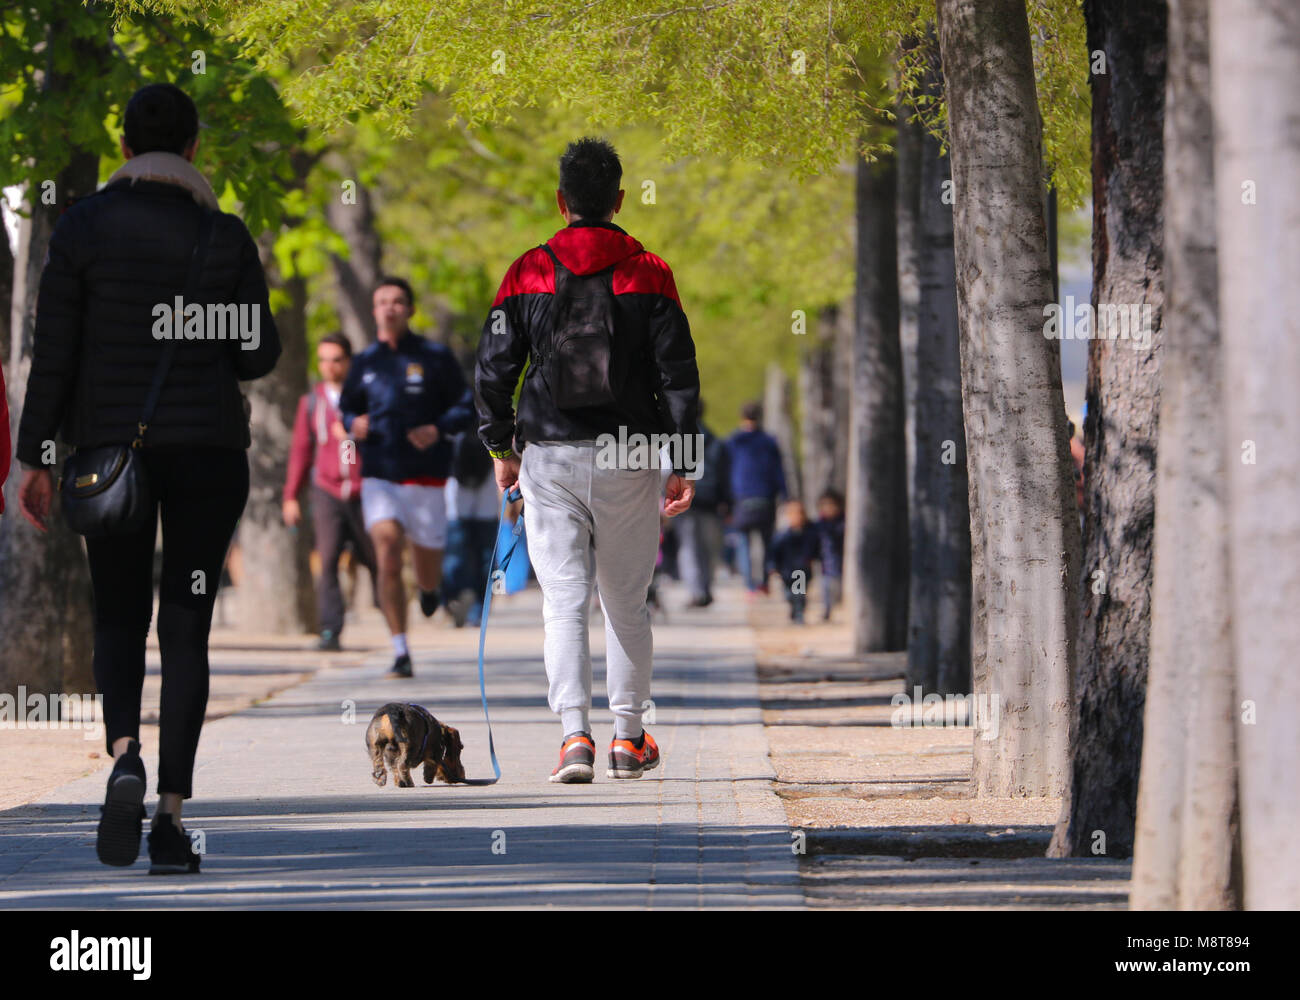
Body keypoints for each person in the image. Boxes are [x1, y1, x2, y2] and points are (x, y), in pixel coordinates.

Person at [14, 83, 280, 873]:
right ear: (194, 150)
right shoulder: (224, 236)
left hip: (108, 461)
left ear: (125, 147)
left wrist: (34, 459)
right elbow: (258, 355)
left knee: (119, 614)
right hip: (206, 458)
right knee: (188, 624)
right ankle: (169, 816)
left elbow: (53, 350)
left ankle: (124, 753)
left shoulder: (82, 228)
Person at [475, 136, 700, 783]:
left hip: (548, 450)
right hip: (632, 451)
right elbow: (679, 374)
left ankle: (574, 738)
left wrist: (500, 449)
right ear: (619, 199)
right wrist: (685, 460)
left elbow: (493, 370)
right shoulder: (650, 271)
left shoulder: (527, 272)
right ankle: (628, 739)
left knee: (564, 600)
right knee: (625, 602)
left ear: (561, 200)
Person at [339, 276, 475, 678]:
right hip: (380, 474)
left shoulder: (436, 357)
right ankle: (400, 650)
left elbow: (466, 407)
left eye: (398, 301)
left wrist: (437, 428)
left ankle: (430, 590)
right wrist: (353, 423)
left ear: (410, 309)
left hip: (426, 478)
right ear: (374, 310)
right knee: (386, 552)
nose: (390, 308)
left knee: (426, 566)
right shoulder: (364, 363)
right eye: (382, 302)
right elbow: (345, 409)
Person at [283, 332, 380, 650]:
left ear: (348, 362)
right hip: (326, 491)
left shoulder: (367, 397)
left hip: (364, 489)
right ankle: (330, 630)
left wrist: (360, 431)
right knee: (326, 562)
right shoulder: (311, 402)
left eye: (336, 360)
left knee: (377, 557)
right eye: (323, 360)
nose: (330, 367)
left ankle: (393, 619)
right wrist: (290, 496)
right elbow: (300, 450)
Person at [440, 431, 500, 628]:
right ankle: (454, 599)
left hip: (487, 486)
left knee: (485, 557)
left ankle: (478, 609)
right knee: (456, 556)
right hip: (456, 487)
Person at [675, 399, 731, 608]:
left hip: (684, 498)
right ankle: (706, 588)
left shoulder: (679, 437)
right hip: (712, 500)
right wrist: (727, 502)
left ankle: (696, 591)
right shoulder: (716, 440)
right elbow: (725, 474)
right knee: (708, 548)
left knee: (689, 547)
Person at [726, 401, 786, 594]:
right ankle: (765, 581)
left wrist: (726, 500)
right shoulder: (769, 441)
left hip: (741, 498)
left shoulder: (734, 441)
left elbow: (726, 471)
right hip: (766, 497)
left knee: (744, 542)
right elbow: (779, 471)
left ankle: (749, 584)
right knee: (767, 540)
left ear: (742, 417)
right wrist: (785, 495)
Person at [766, 500, 819, 623]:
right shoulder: (782, 535)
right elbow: (773, 553)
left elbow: (815, 549)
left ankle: (799, 614)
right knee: (789, 595)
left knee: (799, 595)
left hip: (801, 571)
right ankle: (794, 610)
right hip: (785, 571)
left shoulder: (810, 532)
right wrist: (772, 566)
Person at [814, 489, 845, 621]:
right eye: (825, 505)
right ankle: (827, 610)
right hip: (825, 564)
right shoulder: (818, 525)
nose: (829, 508)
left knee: (837, 589)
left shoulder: (843, 523)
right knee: (826, 587)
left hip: (841, 564)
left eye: (832, 505)